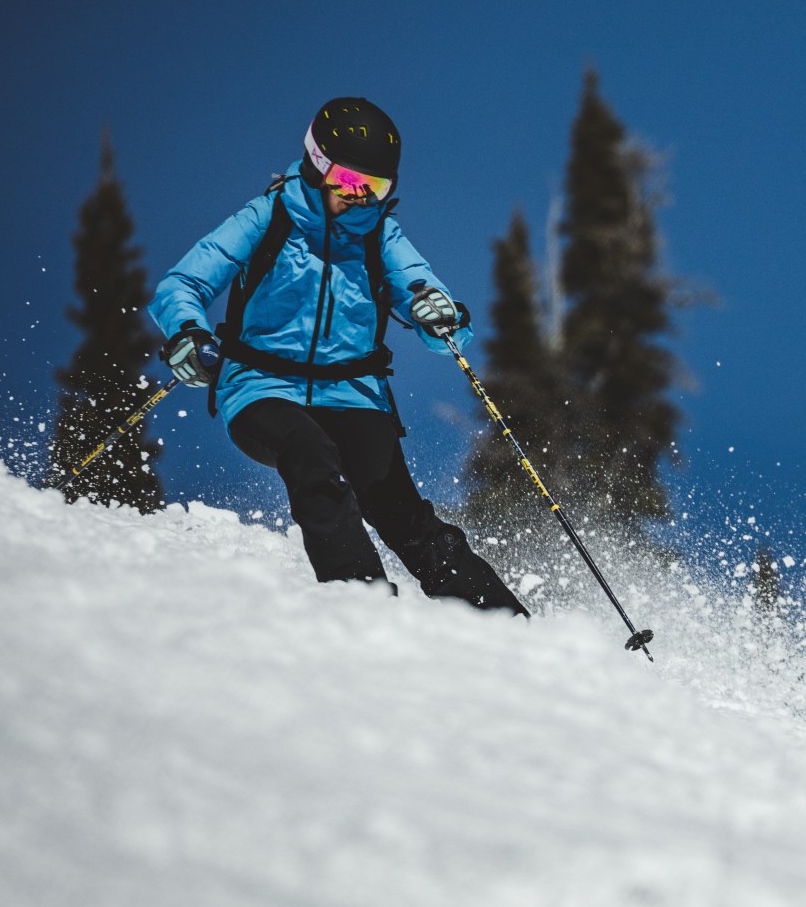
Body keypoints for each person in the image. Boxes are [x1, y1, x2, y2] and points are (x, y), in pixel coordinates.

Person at [150, 98, 527, 615]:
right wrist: (187, 334)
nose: (360, 199)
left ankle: (505, 626)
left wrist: (437, 314)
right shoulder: (269, 217)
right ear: (316, 165)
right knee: (309, 454)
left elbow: (433, 309)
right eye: (350, 182)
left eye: (374, 189)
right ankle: (362, 606)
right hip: (260, 386)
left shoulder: (380, 235)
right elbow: (183, 283)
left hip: (353, 393)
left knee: (397, 508)